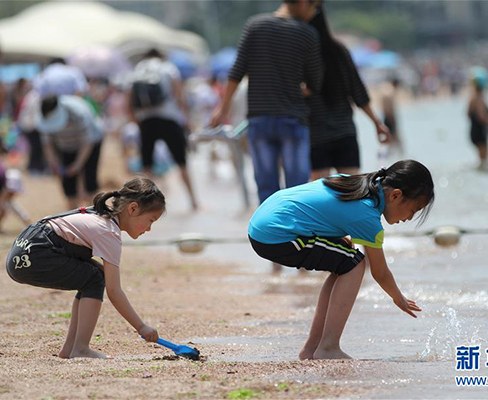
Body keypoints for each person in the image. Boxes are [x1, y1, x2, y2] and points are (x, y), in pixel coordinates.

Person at [248, 159, 434, 359]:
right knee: (355, 263)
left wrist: (333, 237)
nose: (408, 218)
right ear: (396, 195)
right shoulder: (367, 216)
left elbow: (319, 208)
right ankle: (328, 347)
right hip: (278, 235)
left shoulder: (351, 183)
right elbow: (379, 272)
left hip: (263, 224)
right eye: (413, 211)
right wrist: (399, 298)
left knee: (345, 261)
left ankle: (313, 348)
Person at [5, 177, 164, 359]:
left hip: (21, 250)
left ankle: (70, 349)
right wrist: (141, 326)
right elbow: (114, 291)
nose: (149, 229)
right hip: (36, 253)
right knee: (94, 279)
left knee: (94, 275)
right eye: (150, 220)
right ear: (133, 208)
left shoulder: (99, 215)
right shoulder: (109, 232)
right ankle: (80, 348)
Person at [211, 0, 323, 204]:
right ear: (304, 2)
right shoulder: (307, 33)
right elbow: (315, 81)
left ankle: (270, 234)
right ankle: (296, 233)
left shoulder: (255, 25)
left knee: (266, 189)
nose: (315, 12)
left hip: (259, 119)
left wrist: (222, 109)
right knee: (297, 190)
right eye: (315, 6)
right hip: (292, 118)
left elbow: (237, 71)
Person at [307, 8, 389, 181]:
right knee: (352, 191)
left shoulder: (301, 53)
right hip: (344, 131)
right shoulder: (339, 50)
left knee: (318, 195)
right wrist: (377, 123)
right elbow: (358, 92)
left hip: (315, 135)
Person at [129, 49, 197, 211]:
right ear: (161, 56)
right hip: (169, 119)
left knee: (147, 166)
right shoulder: (168, 68)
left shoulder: (138, 69)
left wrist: (136, 121)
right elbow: (179, 94)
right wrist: (187, 118)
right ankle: (193, 202)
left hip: (146, 120)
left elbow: (130, 100)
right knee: (182, 162)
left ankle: (146, 205)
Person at [38, 95, 104, 209]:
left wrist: (77, 165)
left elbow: (88, 142)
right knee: (68, 184)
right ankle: (72, 213)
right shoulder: (43, 116)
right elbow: (47, 144)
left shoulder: (78, 113)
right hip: (65, 146)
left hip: (91, 142)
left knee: (90, 181)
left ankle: (95, 214)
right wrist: (53, 162)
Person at [467, 67, 488, 172]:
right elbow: (481, 117)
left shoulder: (472, 97)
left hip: (474, 131)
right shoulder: (479, 98)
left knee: (483, 160)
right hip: (480, 132)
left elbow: (468, 114)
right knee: (484, 161)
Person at [381, 77, 403, 155]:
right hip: (390, 118)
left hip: (386, 117)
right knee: (394, 137)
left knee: (390, 137)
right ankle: (400, 154)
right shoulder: (391, 92)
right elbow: (389, 109)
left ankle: (390, 154)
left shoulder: (386, 90)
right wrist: (392, 119)